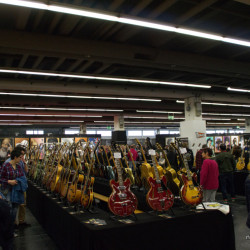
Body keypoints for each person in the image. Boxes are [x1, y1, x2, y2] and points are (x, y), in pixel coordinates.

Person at [0, 148, 28, 232]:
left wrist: (19, 181)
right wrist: (9, 181)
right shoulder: (6, 165)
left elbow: (23, 175)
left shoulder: (19, 166)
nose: (21, 159)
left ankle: (11, 228)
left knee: (14, 210)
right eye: (20, 157)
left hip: (16, 191)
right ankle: (8, 229)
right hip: (7, 191)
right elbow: (1, 178)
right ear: (15, 157)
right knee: (9, 210)